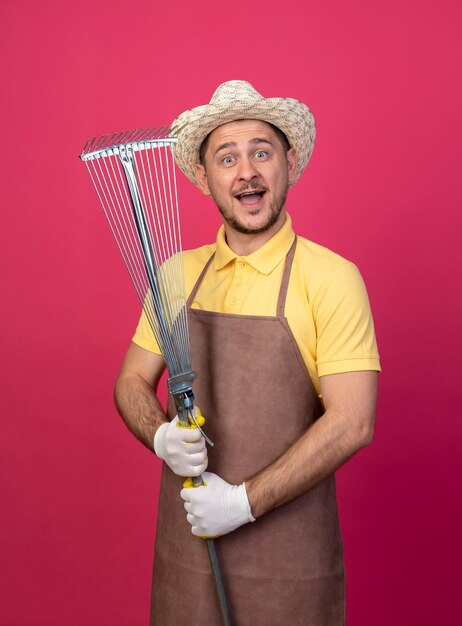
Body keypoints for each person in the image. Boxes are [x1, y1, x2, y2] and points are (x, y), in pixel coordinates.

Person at [114, 80, 380, 626]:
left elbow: (353, 422)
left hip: (291, 564)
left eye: (261, 151)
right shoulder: (177, 275)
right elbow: (130, 383)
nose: (246, 172)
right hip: (187, 558)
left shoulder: (331, 279)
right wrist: (159, 433)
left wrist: (241, 503)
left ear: (289, 159)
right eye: (226, 157)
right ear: (206, 178)